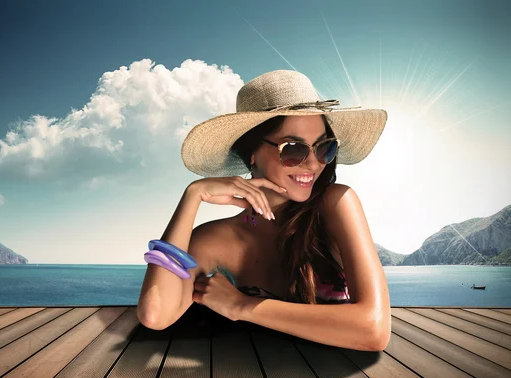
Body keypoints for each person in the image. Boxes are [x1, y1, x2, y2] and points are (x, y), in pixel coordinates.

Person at [137, 70, 392, 351]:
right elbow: (155, 314)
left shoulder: (336, 203)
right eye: (293, 149)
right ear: (251, 154)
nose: (312, 164)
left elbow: (374, 330)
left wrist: (242, 306)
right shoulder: (214, 240)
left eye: (324, 148)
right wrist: (192, 195)